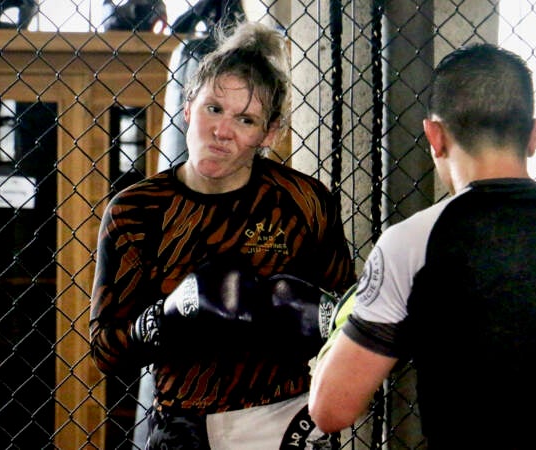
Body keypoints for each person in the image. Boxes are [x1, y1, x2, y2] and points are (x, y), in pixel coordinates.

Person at [308, 42, 536, 449]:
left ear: (434, 135)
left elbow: (331, 409)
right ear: (533, 135)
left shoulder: (410, 244)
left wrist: (344, 322)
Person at [89, 20, 356, 449]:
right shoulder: (136, 210)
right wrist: (167, 317)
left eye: (245, 119)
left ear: (269, 133)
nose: (223, 131)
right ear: (187, 107)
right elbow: (105, 350)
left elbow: (350, 325)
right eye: (214, 108)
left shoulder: (304, 202)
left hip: (287, 415)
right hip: (184, 421)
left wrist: (314, 316)